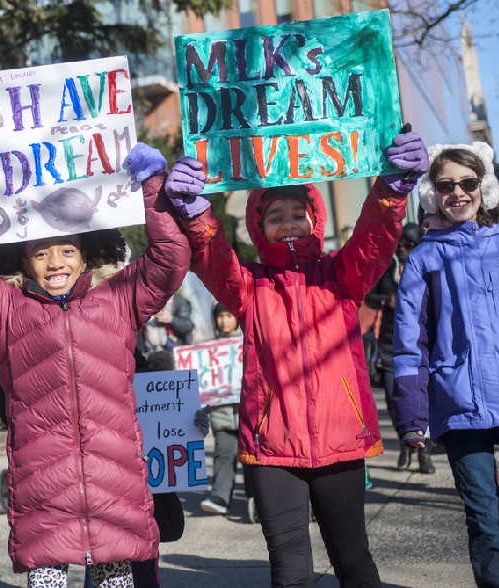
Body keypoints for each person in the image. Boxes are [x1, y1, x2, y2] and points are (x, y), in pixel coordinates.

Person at [0, 141, 190, 587]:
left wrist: (153, 190)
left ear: (85, 257)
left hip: (113, 489)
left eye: (66, 250)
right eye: (41, 253)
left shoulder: (116, 302)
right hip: (44, 495)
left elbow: (169, 259)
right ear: (24, 261)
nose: (55, 262)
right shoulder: (5, 311)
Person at [162, 128, 428, 586]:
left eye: (297, 214)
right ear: (258, 227)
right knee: (290, 572)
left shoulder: (343, 275)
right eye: (275, 216)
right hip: (272, 450)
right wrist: (195, 211)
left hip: (340, 441)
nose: (287, 223)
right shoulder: (247, 286)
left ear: (315, 219)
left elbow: (373, 239)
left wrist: (393, 188)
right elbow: (211, 255)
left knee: (355, 563)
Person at [392, 142, 499, 587]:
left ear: (485, 187)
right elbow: (410, 342)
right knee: (484, 517)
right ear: (432, 193)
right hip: (458, 407)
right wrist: (411, 415)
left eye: (468, 183)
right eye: (447, 185)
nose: (458, 193)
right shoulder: (423, 258)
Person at [363, 222, 434, 473]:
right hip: (390, 348)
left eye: (408, 245)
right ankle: (405, 444)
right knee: (395, 401)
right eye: (399, 245)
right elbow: (368, 295)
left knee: (423, 400)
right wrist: (386, 299)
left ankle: (424, 454)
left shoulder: (426, 268)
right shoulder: (387, 270)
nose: (402, 250)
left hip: (422, 346)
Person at [199, 303, 242, 515]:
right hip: (222, 415)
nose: (224, 320)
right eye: (220, 316)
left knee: (254, 462)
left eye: (229, 315)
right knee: (224, 454)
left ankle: (257, 500)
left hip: (249, 416)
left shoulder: (249, 342)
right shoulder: (208, 349)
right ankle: (220, 497)